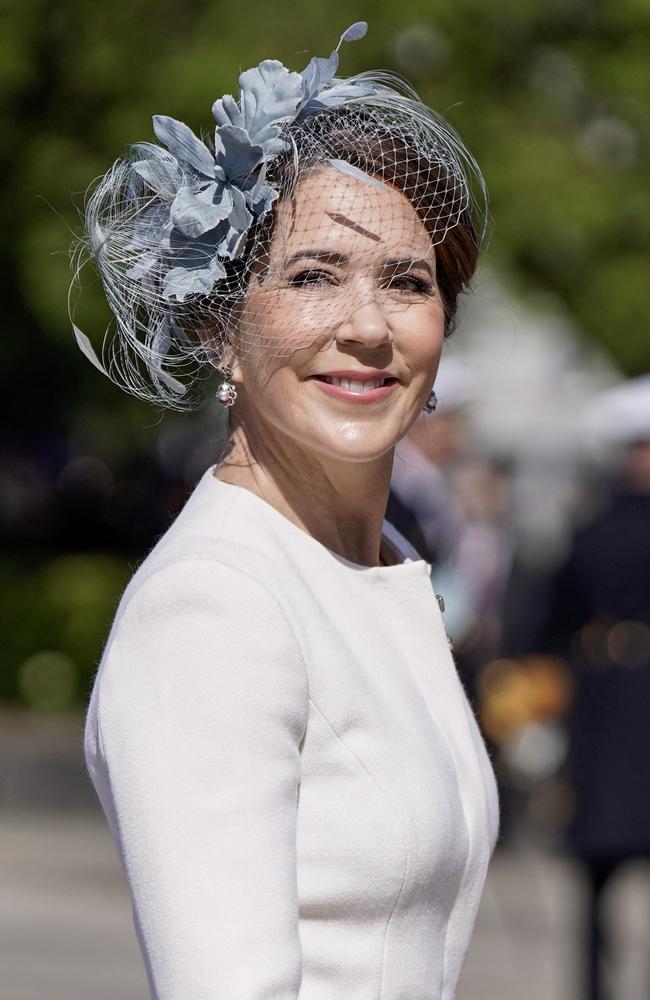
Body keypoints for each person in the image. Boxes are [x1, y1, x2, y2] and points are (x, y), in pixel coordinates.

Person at [75, 22, 500, 1000]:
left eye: (406, 281)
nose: (365, 325)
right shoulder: (216, 605)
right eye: (311, 275)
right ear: (219, 327)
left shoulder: (379, 560)